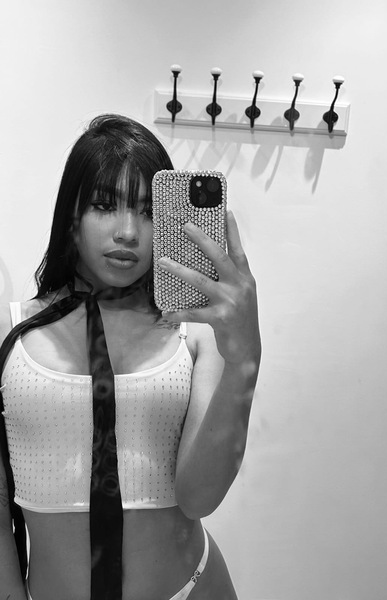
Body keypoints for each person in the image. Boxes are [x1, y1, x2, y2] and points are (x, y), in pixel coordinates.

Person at [0, 114, 261, 600]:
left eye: (148, 211)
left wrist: (246, 354)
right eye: (104, 205)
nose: (128, 232)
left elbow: (199, 497)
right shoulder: (10, 332)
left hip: (192, 589)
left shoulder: (196, 334)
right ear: (71, 216)